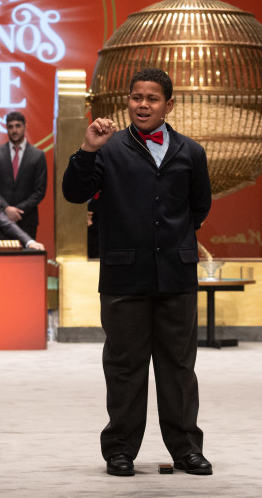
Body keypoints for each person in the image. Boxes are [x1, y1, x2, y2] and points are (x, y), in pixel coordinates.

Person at [62, 68, 213, 477]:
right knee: (125, 367)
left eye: (152, 98)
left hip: (176, 278)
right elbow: (74, 192)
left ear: (169, 104)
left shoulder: (191, 152)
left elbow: (198, 208)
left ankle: (186, 449)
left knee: (178, 368)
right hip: (123, 277)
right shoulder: (108, 149)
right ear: (127, 101)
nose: (142, 104)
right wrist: (88, 148)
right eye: (136, 97)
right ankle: (120, 450)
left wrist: (173, 244)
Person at [0, 111, 47, 239]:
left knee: (27, 258)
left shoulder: (38, 155)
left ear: (25, 126)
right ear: (6, 128)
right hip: (1, 217)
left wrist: (17, 211)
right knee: (1, 258)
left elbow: (39, 191)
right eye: (10, 126)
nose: (14, 130)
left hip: (27, 219)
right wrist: (7, 209)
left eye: (18, 126)